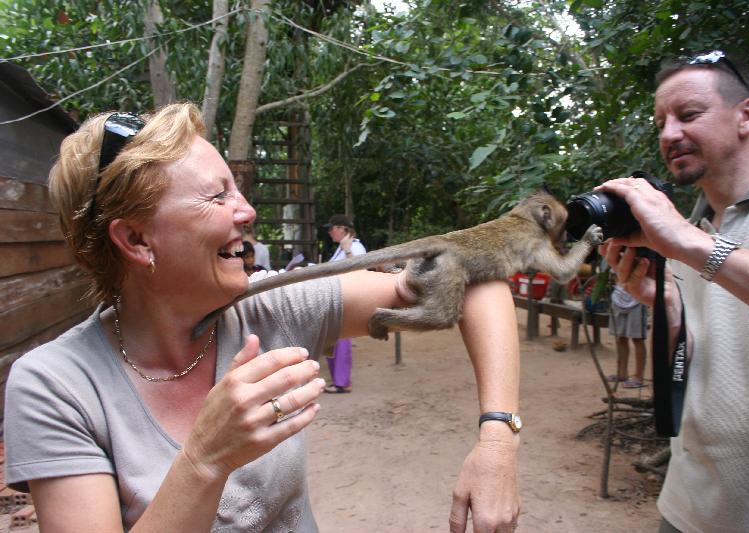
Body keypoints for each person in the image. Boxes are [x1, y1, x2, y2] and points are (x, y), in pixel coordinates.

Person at [3, 103, 522, 532]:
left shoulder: (268, 304)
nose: (247, 210)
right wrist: (205, 458)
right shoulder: (56, 385)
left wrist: (498, 440)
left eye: (237, 189)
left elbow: (474, 270)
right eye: (217, 195)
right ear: (136, 240)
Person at [597, 51, 749, 532]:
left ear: (747, 115)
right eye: (661, 121)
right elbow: (693, 370)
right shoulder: (689, 227)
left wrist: (692, 245)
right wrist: (665, 306)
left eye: (688, 115)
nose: (669, 135)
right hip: (688, 506)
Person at [321, 214, 367, 393]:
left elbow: (360, 271)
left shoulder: (355, 246)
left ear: (342, 229)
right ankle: (337, 380)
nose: (330, 232)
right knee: (333, 339)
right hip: (335, 298)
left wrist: (348, 250)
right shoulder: (341, 247)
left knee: (340, 340)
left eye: (332, 228)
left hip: (346, 299)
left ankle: (342, 382)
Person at [606, 284, 648, 388]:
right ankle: (622, 373)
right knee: (621, 337)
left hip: (638, 298)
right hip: (618, 297)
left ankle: (638, 377)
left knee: (637, 339)